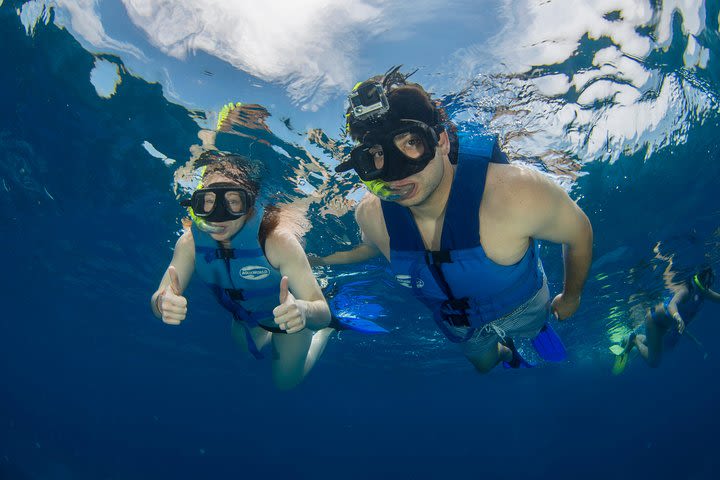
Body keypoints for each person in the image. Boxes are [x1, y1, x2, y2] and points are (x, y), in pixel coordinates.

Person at [331, 66, 594, 373]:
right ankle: (509, 355)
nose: (393, 172)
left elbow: (579, 233)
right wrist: (314, 260)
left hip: (525, 306)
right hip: (458, 326)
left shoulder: (515, 193)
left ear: (441, 141)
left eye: (410, 143)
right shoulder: (371, 214)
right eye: (376, 153)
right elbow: (370, 248)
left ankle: (535, 334)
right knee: (484, 365)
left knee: (534, 328)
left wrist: (571, 296)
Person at [151, 154, 334, 390]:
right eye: (207, 200)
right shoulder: (190, 244)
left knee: (285, 383)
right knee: (245, 354)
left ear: (250, 206)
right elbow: (159, 296)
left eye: (233, 201)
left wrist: (303, 310)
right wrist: (162, 304)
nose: (218, 214)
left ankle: (324, 337)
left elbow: (323, 314)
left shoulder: (278, 241)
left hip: (291, 323)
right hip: (244, 320)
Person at [612, 267, 719, 372]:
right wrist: (677, 316)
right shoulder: (686, 289)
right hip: (654, 321)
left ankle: (628, 339)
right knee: (654, 362)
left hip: (664, 324)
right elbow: (672, 305)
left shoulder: (704, 292)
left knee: (648, 342)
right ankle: (634, 340)